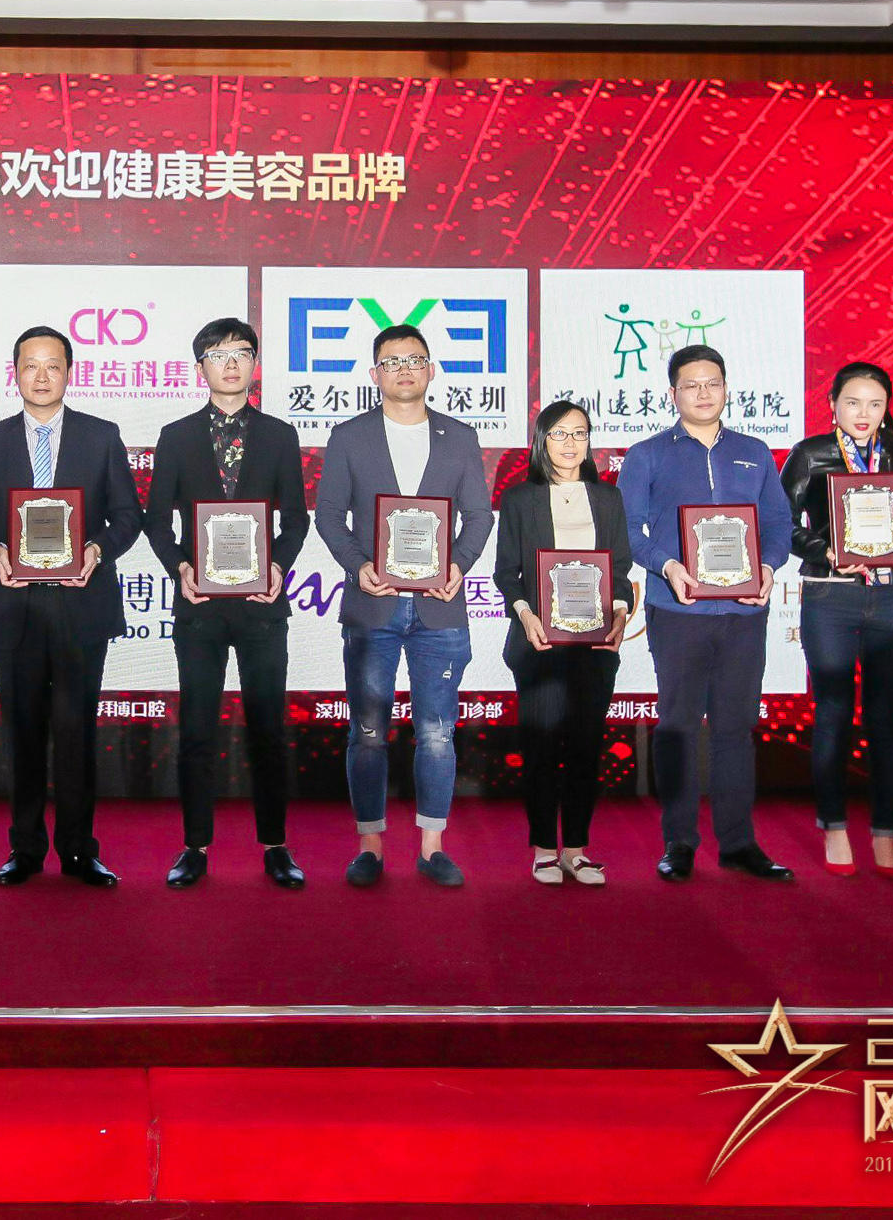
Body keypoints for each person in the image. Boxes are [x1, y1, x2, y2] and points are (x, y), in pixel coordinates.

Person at [0, 326, 142, 887]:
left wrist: (97, 549)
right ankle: (26, 849)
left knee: (77, 734)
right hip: (16, 607)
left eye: (52, 365)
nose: (41, 376)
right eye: (30, 365)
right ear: (15, 373)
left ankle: (79, 851)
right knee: (23, 734)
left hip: (82, 606)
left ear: (69, 372)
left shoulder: (101, 436)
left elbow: (128, 516)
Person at [313, 325, 492, 889]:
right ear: (374, 375)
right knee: (368, 731)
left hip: (440, 607)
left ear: (432, 370)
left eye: (415, 360)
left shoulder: (460, 436)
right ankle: (370, 846)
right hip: (374, 607)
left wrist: (458, 564)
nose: (404, 370)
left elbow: (479, 516)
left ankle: (432, 848)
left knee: (437, 732)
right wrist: (357, 565)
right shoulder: (349, 436)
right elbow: (329, 515)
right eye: (391, 362)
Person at [617, 343, 795, 883]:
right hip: (677, 611)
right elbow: (626, 532)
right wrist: (667, 564)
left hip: (744, 612)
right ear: (672, 394)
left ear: (726, 389)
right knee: (677, 726)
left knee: (735, 728)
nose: (703, 393)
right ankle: (679, 842)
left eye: (712, 383)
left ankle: (739, 843)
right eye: (691, 385)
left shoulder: (754, 452)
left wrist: (769, 568)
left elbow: (778, 523)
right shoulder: (647, 454)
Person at [144, 318, 309, 890]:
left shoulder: (280, 435)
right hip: (200, 606)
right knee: (196, 729)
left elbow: (296, 520)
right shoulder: (176, 436)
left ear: (255, 364)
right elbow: (155, 521)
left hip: (263, 606)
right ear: (201, 369)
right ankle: (194, 846)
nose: (231, 363)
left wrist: (278, 567)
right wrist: (181, 568)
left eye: (241, 352)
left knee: (267, 728)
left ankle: (275, 845)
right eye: (218, 354)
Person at [780, 362, 893, 878]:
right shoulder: (809, 454)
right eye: (853, 402)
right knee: (834, 712)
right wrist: (825, 550)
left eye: (875, 403)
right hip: (831, 595)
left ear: (887, 408)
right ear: (833, 404)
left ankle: (885, 833)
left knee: (886, 718)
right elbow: (780, 523)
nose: (864, 413)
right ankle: (835, 827)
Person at [492, 401, 633, 887]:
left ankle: (575, 849)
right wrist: (526, 614)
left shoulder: (608, 498)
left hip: (595, 645)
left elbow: (620, 570)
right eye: (559, 433)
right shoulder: (519, 499)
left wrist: (619, 613)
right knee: (541, 748)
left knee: (585, 749)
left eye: (579, 433)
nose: (570, 443)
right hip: (540, 644)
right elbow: (506, 572)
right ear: (541, 441)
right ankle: (544, 850)